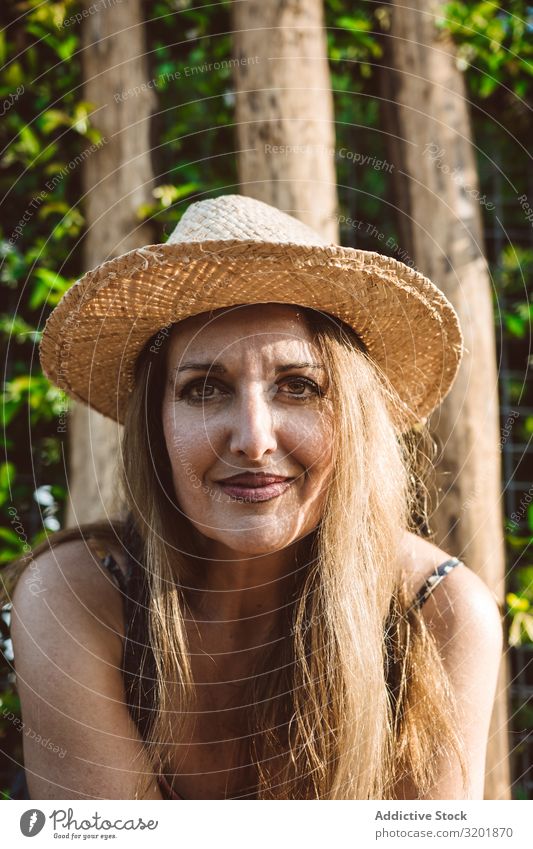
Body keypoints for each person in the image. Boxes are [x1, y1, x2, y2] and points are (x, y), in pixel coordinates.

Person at [6, 194, 503, 800]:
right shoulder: (78, 600)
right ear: (154, 423)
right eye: (204, 388)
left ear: (352, 416)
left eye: (298, 386)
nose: (254, 439)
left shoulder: (437, 612)